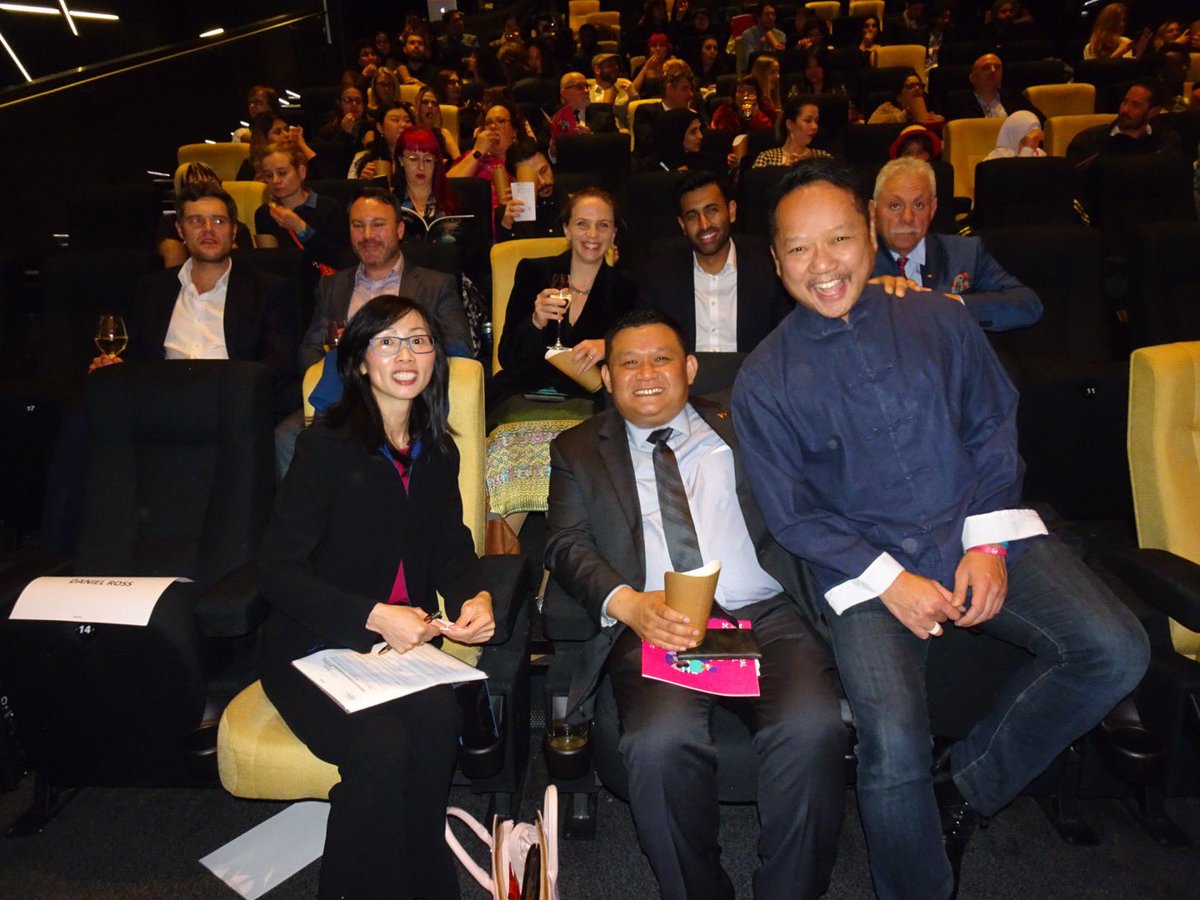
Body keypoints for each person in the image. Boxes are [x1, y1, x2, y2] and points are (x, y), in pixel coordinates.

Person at [732, 158, 1149, 900]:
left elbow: (992, 428)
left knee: (1116, 650)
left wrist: (987, 546)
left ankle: (967, 787)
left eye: (838, 240)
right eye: (799, 249)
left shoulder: (938, 318)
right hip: (866, 573)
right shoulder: (764, 379)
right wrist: (892, 582)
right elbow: (793, 513)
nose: (822, 266)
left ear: (869, 231)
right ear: (775, 260)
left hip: (983, 525)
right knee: (891, 745)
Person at [544, 307, 845, 900]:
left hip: (766, 613)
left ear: (690, 368)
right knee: (658, 744)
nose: (645, 373)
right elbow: (563, 542)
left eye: (661, 359)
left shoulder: (746, 421)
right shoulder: (577, 449)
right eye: (628, 363)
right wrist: (626, 603)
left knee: (813, 728)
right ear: (606, 378)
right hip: (655, 618)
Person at [259, 294, 495, 900]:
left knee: (440, 722)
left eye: (418, 339)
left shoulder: (439, 451)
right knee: (383, 749)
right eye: (386, 342)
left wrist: (475, 596)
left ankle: (426, 885)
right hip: (312, 646)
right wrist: (371, 615)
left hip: (394, 657)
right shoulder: (325, 448)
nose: (406, 353)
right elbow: (276, 572)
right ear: (361, 361)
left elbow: (450, 544)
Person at [94, 182, 299, 385]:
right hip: (161, 398)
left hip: (230, 401)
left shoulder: (268, 290)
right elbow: (133, 356)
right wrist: (115, 366)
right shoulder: (151, 289)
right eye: (196, 221)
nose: (208, 230)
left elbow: (279, 364)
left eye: (219, 221)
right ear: (180, 230)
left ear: (234, 231)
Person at [299, 187, 472, 373]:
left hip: (409, 388)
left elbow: (460, 348)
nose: (367, 235)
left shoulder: (435, 286)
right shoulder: (332, 286)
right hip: (347, 392)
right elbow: (310, 352)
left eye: (378, 224)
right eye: (358, 225)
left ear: (399, 230)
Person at [870, 157, 1041, 331]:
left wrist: (954, 305)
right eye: (895, 205)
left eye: (919, 205)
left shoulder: (965, 252)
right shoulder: (853, 261)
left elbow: (1027, 304)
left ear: (933, 209)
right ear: (873, 210)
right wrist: (868, 296)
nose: (907, 218)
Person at [496, 188, 635, 399]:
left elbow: (638, 356)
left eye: (603, 225)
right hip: (523, 396)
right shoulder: (533, 272)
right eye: (582, 224)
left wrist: (610, 347)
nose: (593, 234)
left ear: (614, 233)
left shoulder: (627, 287)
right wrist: (535, 323)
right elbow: (507, 358)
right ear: (567, 229)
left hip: (590, 403)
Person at [637, 170, 791, 352]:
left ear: (731, 211)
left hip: (750, 376)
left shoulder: (770, 272)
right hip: (685, 378)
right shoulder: (659, 277)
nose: (704, 224)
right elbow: (643, 338)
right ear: (682, 225)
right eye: (692, 216)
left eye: (711, 210)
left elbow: (788, 341)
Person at [254, 142, 351, 270]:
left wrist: (299, 227)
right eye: (268, 175)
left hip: (324, 284)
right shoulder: (265, 214)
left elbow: (339, 260)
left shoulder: (330, 208)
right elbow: (269, 263)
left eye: (282, 173)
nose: (275, 180)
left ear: (301, 172)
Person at [1065, 80, 1183, 166]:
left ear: (1153, 112)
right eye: (1125, 102)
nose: (1125, 109)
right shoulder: (1089, 141)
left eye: (1135, 105)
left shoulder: (1167, 143)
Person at [156, 162, 252, 267]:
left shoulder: (239, 228)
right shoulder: (170, 224)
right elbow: (172, 272)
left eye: (213, 185)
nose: (208, 229)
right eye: (196, 187)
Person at [497, 137, 559, 240]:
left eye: (544, 171)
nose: (542, 182)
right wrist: (507, 225)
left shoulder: (570, 199)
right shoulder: (507, 213)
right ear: (515, 181)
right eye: (531, 177)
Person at [944, 53, 1036, 120]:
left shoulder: (1015, 98)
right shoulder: (957, 102)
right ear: (972, 78)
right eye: (986, 68)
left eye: (997, 67)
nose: (993, 71)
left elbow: (1039, 123)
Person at [753, 96, 832, 167]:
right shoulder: (767, 158)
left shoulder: (823, 158)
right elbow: (755, 182)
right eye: (808, 121)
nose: (815, 126)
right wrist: (782, 171)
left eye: (816, 121)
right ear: (790, 124)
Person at [349, 102, 415, 180]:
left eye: (407, 121)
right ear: (380, 127)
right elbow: (350, 190)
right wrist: (363, 181)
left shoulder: (420, 158)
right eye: (395, 120)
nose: (403, 124)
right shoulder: (361, 159)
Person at [548, 71, 618, 142]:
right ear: (564, 93)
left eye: (587, 86)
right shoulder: (552, 119)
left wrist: (591, 137)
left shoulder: (604, 118)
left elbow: (617, 146)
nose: (586, 91)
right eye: (579, 87)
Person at [868, 70, 943, 127]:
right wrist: (903, 116)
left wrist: (939, 122)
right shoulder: (886, 108)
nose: (917, 88)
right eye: (910, 86)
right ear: (898, 96)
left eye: (919, 86)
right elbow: (871, 126)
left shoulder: (928, 106)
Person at [709, 76, 774, 136]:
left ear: (757, 95)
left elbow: (769, 136)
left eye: (750, 91)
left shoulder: (766, 110)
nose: (746, 95)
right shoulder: (724, 111)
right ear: (734, 95)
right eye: (741, 91)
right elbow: (718, 137)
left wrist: (757, 116)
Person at [415, 84, 461, 159]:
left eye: (434, 104)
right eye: (425, 102)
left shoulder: (444, 134)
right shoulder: (408, 133)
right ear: (416, 107)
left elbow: (459, 161)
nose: (430, 106)